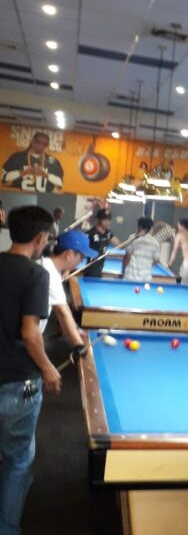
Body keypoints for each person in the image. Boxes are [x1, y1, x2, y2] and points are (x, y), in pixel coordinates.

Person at [0, 206, 61, 533]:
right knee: (17, 462)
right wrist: (49, 369)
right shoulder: (36, 275)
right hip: (18, 386)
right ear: (39, 239)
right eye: (47, 238)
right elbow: (30, 333)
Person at [39, 231, 95, 347]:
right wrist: (79, 346)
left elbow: (61, 308)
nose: (81, 262)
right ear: (69, 254)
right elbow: (62, 312)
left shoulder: (48, 267)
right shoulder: (49, 273)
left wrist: (75, 329)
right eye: (81, 257)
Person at [84, 209, 122, 278]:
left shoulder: (108, 233)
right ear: (99, 219)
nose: (107, 222)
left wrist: (134, 238)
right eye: (104, 219)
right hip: (91, 267)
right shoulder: (90, 233)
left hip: (100, 267)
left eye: (109, 219)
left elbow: (120, 245)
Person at [122, 217, 160, 283]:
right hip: (146, 278)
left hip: (130, 277)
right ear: (150, 228)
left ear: (140, 227)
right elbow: (156, 260)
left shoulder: (132, 238)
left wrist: (123, 271)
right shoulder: (155, 242)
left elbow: (127, 257)